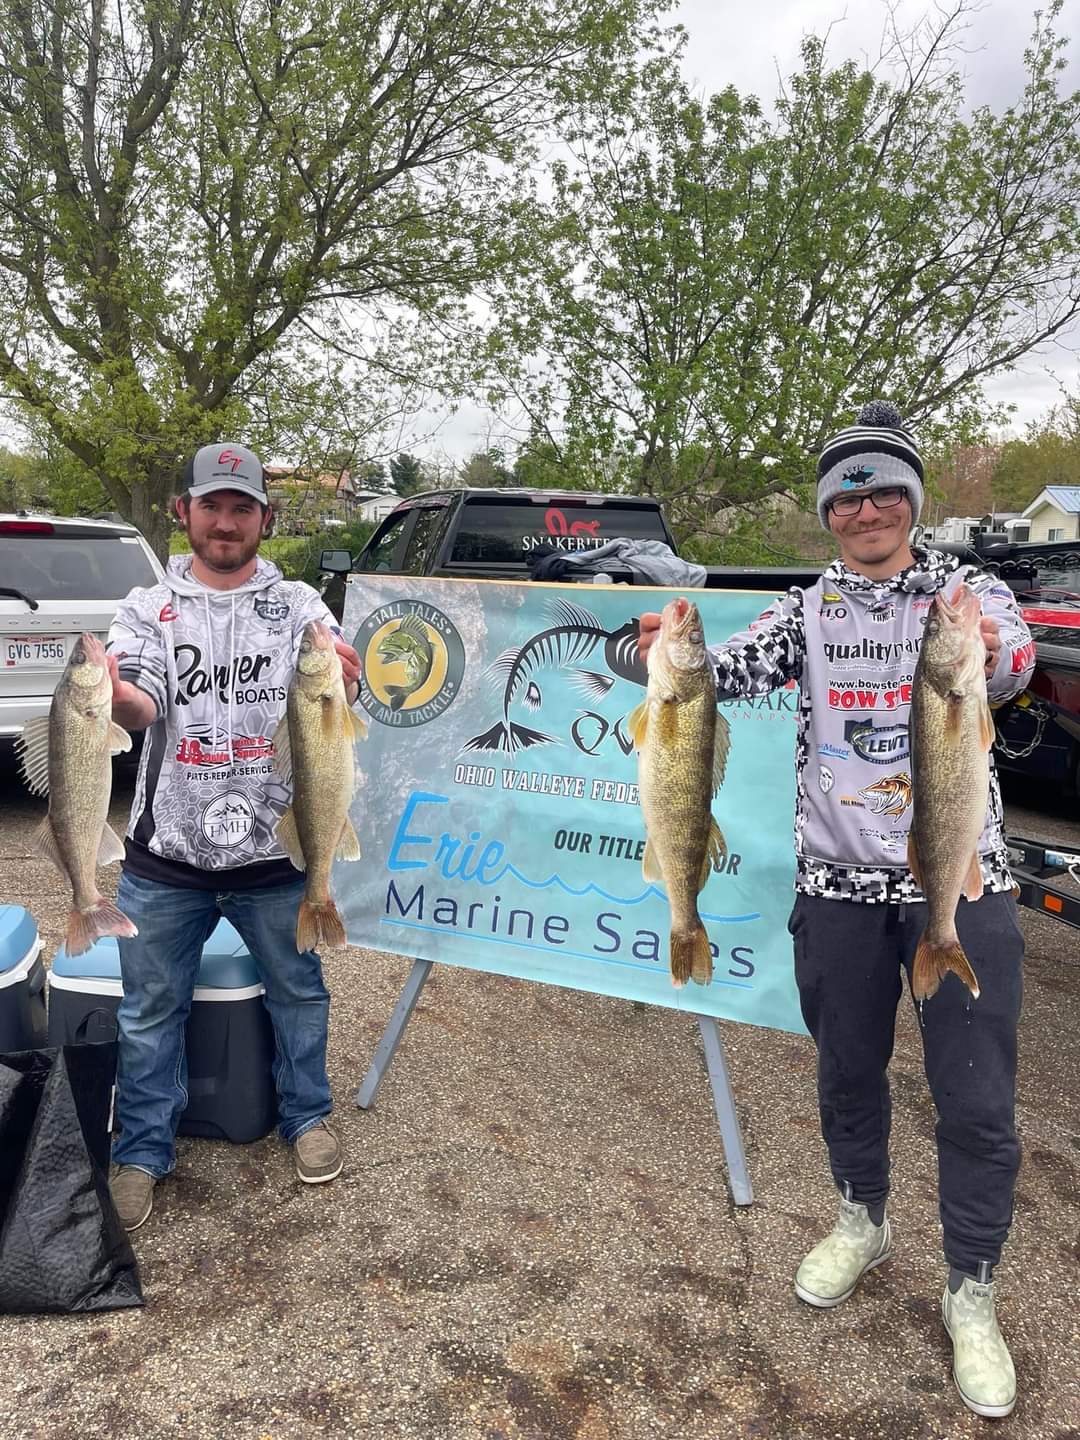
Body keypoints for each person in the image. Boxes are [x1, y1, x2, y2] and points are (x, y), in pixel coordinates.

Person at [638, 401, 1033, 1420]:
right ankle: (863, 1218)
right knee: (847, 1074)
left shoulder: (966, 592)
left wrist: (987, 649)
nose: (866, 508)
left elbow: (1015, 662)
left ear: (913, 495)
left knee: (978, 1103)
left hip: (960, 887)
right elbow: (720, 678)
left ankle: (971, 1287)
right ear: (828, 512)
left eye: (884, 487)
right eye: (847, 494)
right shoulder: (805, 609)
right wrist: (654, 652)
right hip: (839, 892)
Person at [104, 443, 362, 1232]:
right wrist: (113, 697)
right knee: (150, 1010)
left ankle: (307, 1118)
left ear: (264, 520)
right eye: (211, 505)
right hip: (165, 860)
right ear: (184, 513)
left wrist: (347, 674)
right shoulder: (145, 609)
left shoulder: (303, 607)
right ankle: (142, 1151)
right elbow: (140, 706)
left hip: (276, 857)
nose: (225, 521)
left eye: (241, 507)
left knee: (300, 994)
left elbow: (342, 691)